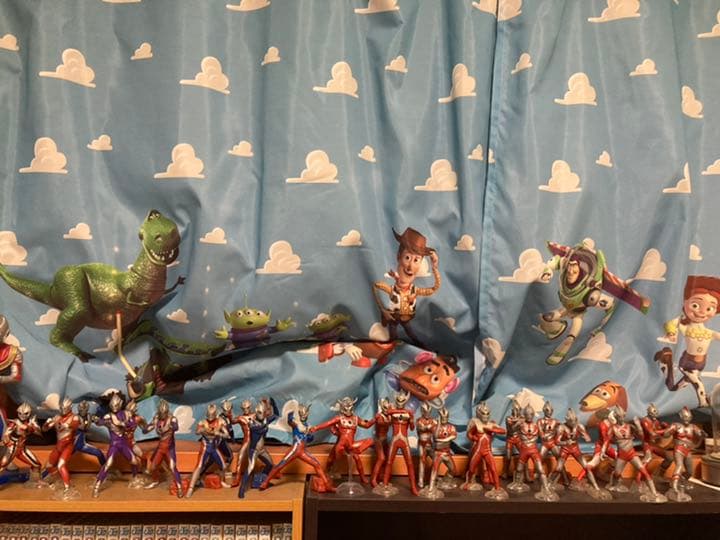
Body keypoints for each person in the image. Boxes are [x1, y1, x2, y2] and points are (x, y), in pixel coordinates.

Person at [373, 228, 440, 348]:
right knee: (393, 336)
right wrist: (383, 310)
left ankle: (417, 345)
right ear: (399, 256)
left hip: (406, 318)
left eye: (416, 260)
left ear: (420, 263)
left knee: (411, 334)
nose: (410, 267)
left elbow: (434, 288)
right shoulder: (391, 289)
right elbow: (376, 286)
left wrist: (434, 268)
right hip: (393, 317)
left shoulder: (415, 290)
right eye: (407, 257)